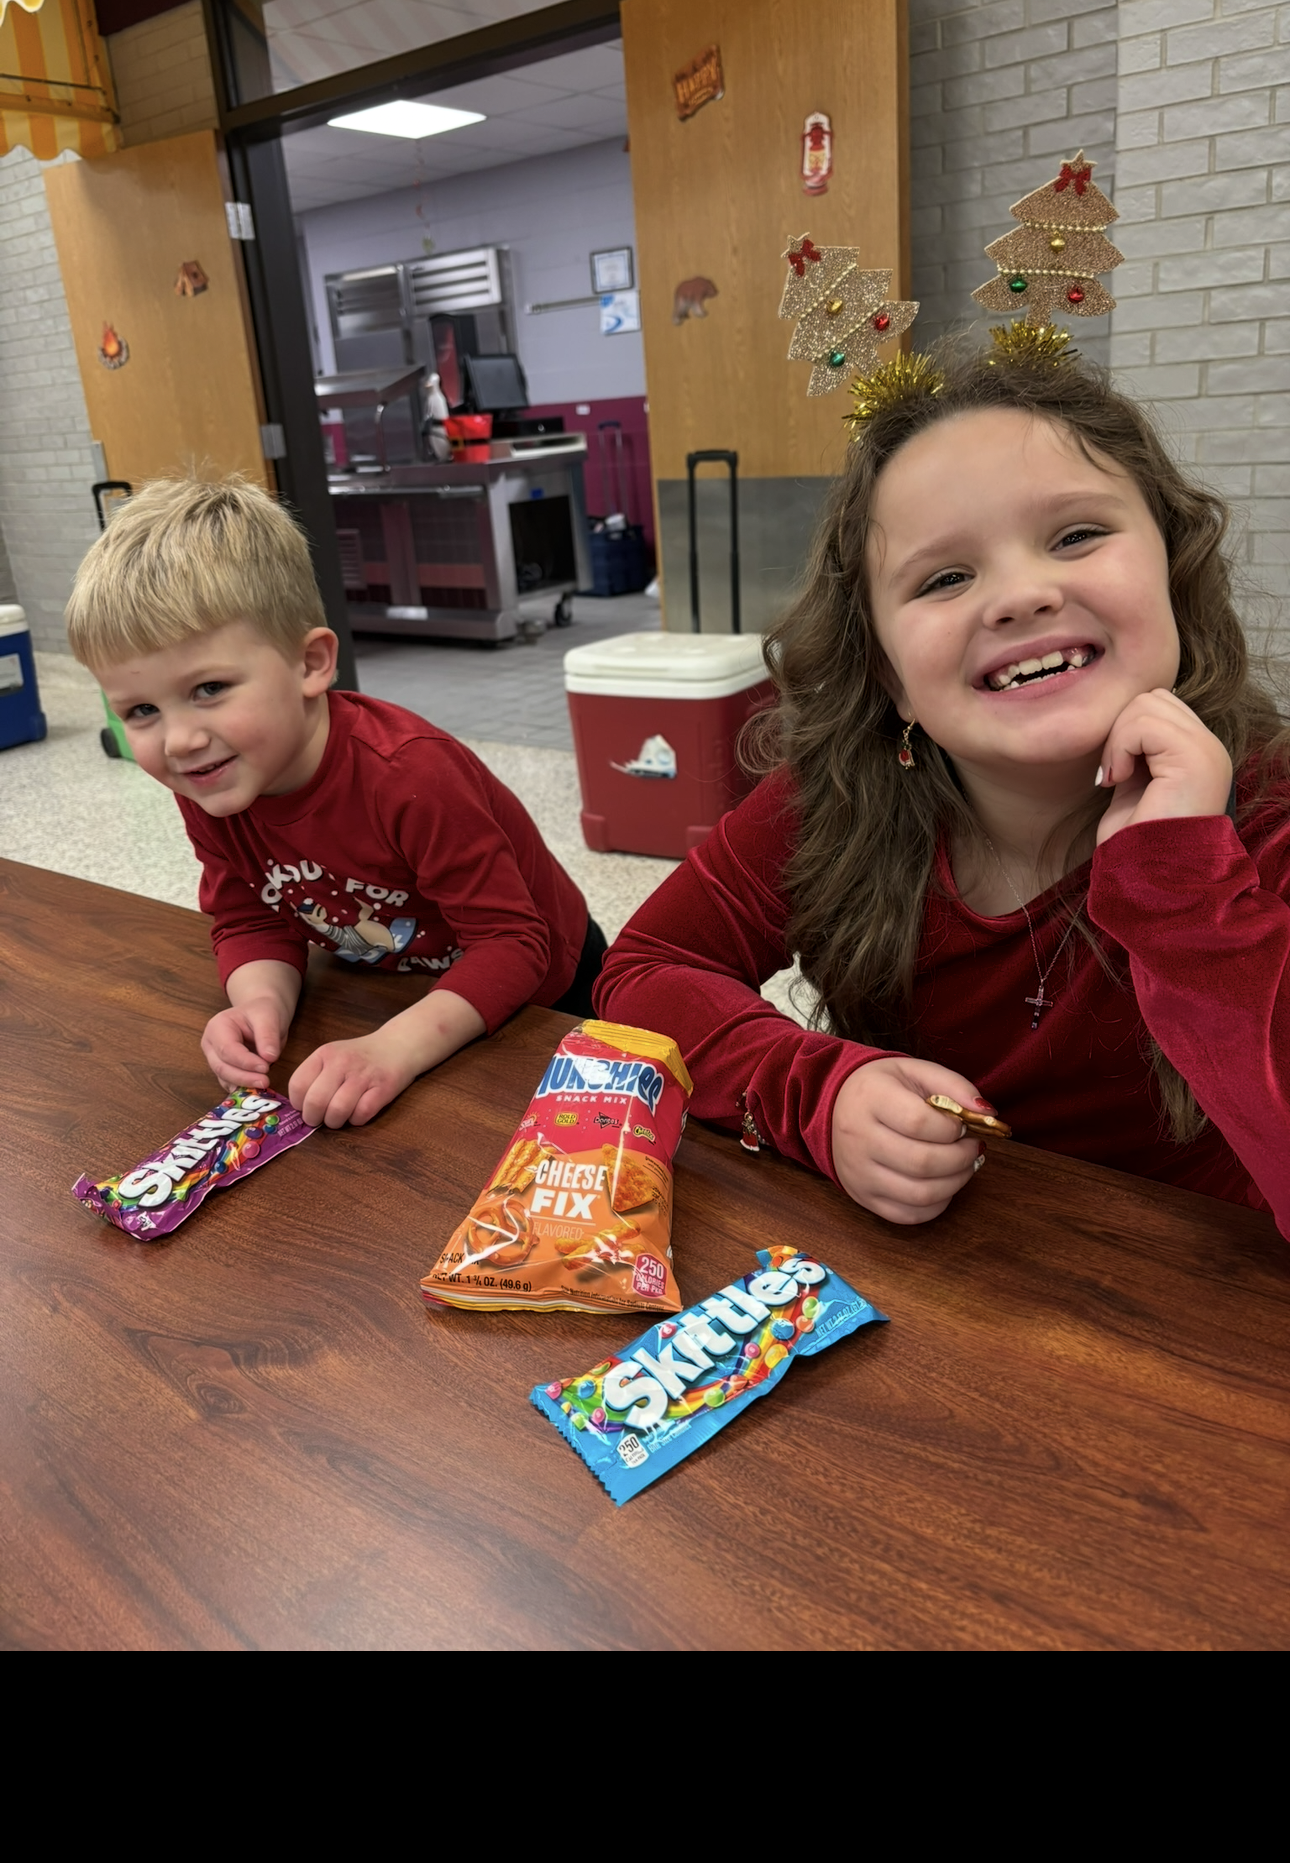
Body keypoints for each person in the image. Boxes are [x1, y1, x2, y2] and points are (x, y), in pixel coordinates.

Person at [596, 326, 1290, 1236]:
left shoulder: (1269, 813)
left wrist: (1183, 889)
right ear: (889, 676)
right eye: (946, 577)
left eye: (1076, 534)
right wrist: (819, 1095)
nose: (1019, 595)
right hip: (931, 1290)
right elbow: (645, 971)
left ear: (1174, 570)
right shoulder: (835, 797)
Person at [66, 477, 604, 1128]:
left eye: (209, 688)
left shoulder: (410, 775)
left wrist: (393, 1049)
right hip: (396, 990)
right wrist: (258, 1002)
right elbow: (252, 917)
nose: (180, 740)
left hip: (551, 994)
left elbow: (516, 946)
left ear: (311, 664)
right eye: (142, 710)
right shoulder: (211, 779)